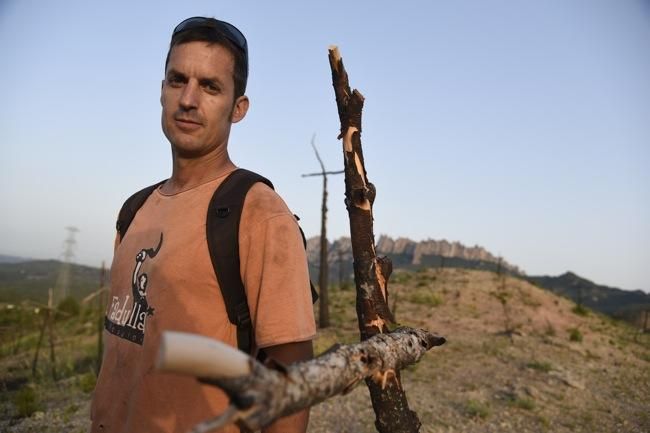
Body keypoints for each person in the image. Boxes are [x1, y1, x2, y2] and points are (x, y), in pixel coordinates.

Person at [90, 17, 316, 433]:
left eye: (211, 86)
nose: (188, 99)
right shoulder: (134, 211)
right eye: (178, 80)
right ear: (162, 90)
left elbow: (292, 376)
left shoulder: (259, 214)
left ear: (238, 108)